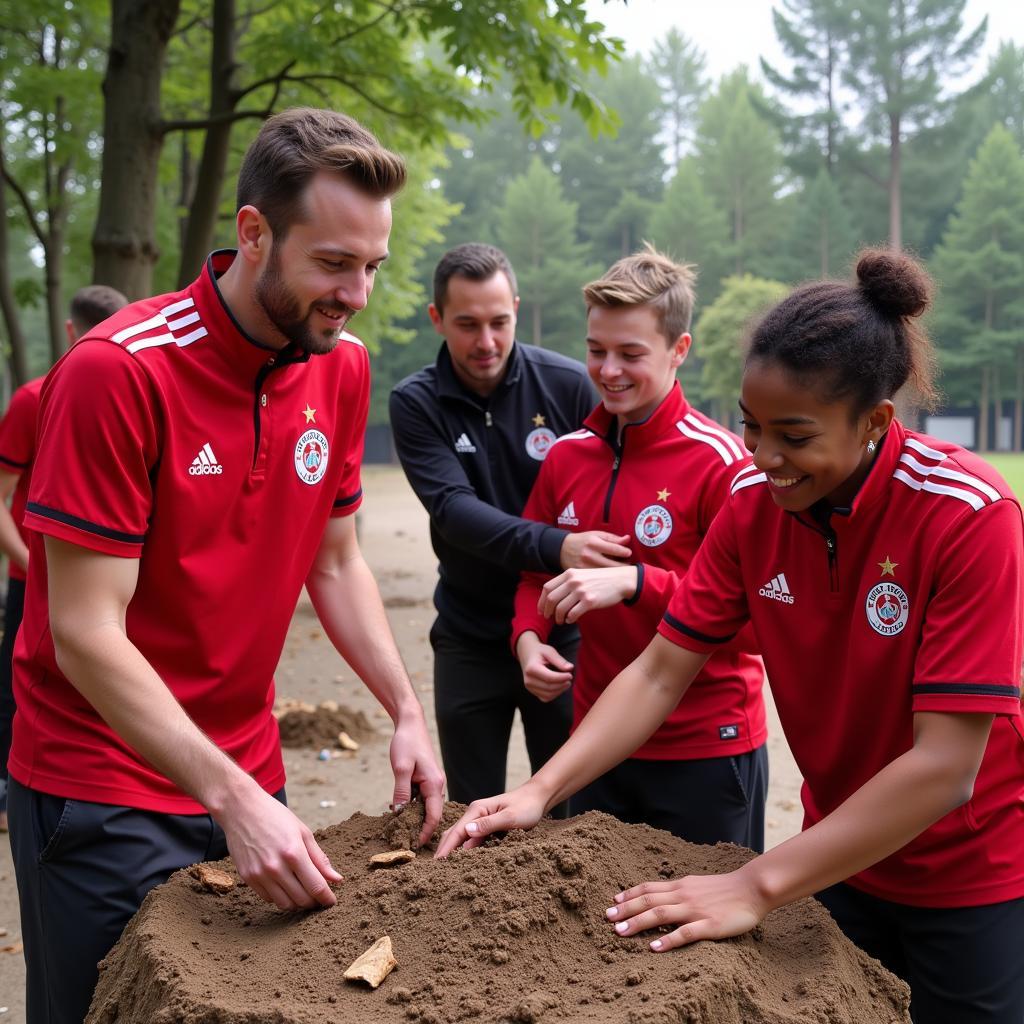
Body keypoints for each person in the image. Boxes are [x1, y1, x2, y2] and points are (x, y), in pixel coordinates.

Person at [438, 249, 1024, 1024]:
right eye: (751, 426)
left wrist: (756, 884)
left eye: (795, 435)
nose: (763, 457)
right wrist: (541, 790)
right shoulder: (753, 504)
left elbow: (946, 765)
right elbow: (659, 672)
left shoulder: (968, 513)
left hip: (971, 872)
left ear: (876, 422)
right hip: (839, 859)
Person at [7, 107, 445, 1024]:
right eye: (333, 263)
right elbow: (86, 632)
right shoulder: (117, 373)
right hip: (102, 782)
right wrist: (233, 796)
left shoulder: (343, 366)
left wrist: (406, 709)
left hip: (247, 775)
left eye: (373, 265)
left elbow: (337, 563)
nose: (357, 293)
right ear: (253, 233)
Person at [512, 246, 767, 848]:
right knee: (599, 933)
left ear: (679, 350)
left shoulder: (723, 464)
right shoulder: (568, 456)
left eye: (631, 354)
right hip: (597, 745)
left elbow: (760, 625)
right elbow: (532, 574)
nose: (608, 370)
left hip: (706, 749)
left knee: (711, 939)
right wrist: (528, 641)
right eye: (596, 350)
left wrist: (637, 583)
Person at [390, 243, 633, 808]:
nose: (487, 342)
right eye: (467, 324)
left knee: (575, 809)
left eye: (499, 322)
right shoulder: (415, 402)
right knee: (468, 811)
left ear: (516, 309)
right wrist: (559, 546)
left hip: (565, 629)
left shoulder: (571, 386)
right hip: (469, 636)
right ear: (437, 319)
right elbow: (453, 512)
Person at [0, 285, 128, 833]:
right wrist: (33, 568)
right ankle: (8, 793)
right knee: (19, 686)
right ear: (75, 334)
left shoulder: (126, 388)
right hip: (31, 578)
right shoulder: (33, 398)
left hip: (100, 585)